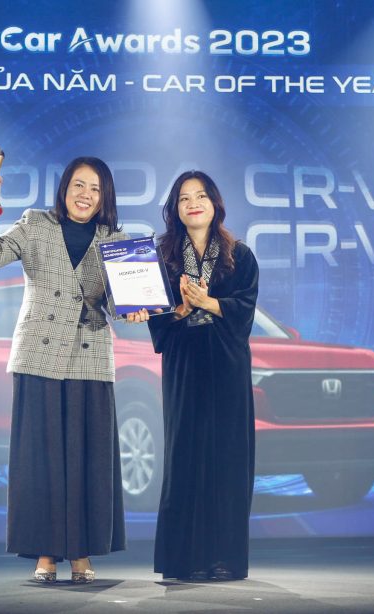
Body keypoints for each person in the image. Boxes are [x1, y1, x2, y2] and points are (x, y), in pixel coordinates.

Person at [0, 156, 128, 584]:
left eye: (95, 188)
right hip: (38, 355)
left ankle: (80, 553)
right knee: (40, 460)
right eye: (79, 185)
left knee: (86, 460)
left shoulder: (117, 240)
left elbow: (121, 305)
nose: (86, 195)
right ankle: (45, 553)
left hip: (89, 354)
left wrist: (137, 309)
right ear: (64, 188)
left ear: (105, 197)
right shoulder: (36, 224)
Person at [132, 170, 259, 581]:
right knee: (185, 456)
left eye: (201, 195)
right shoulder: (161, 259)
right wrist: (182, 310)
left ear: (214, 203)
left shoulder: (240, 256)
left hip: (227, 365)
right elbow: (159, 323)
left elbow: (244, 313)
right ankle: (185, 559)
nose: (193, 204)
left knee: (228, 460)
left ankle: (225, 558)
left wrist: (208, 302)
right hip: (185, 365)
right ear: (176, 209)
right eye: (184, 198)